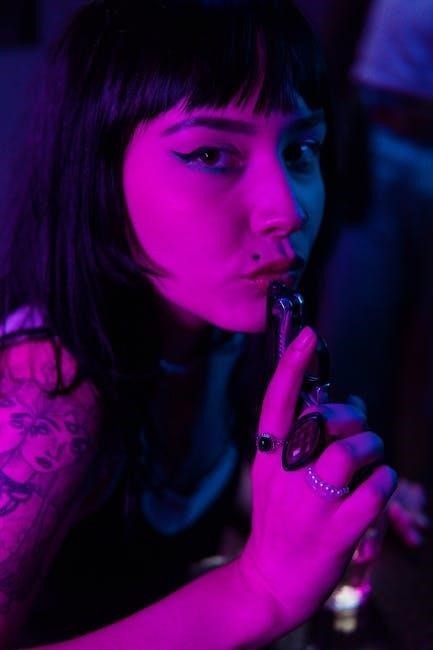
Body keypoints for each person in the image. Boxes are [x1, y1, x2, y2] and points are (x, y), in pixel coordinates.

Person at [0, 1, 397, 647]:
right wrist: (258, 590)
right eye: (211, 153)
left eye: (300, 150)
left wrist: (319, 498)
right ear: (97, 171)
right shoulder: (48, 394)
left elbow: (181, 486)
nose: (287, 209)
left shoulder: (222, 329)